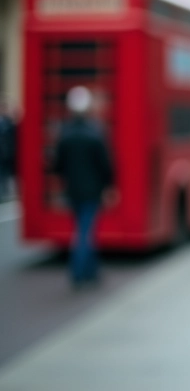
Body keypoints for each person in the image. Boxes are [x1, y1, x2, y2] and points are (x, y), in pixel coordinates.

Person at [52, 86, 115, 287]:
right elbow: (105, 165)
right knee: (86, 231)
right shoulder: (95, 133)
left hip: (72, 190)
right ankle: (79, 272)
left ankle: (91, 270)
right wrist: (108, 186)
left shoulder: (65, 133)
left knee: (82, 229)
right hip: (92, 190)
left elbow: (57, 165)